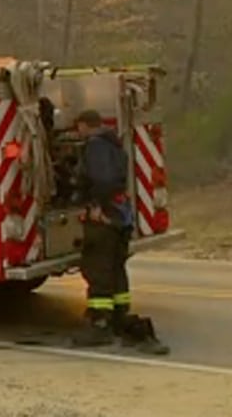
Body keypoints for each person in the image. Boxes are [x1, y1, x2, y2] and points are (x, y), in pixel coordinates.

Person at [70, 109, 168, 354]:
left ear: (84, 125)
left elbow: (101, 180)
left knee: (98, 268)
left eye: (78, 128)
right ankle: (119, 316)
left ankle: (100, 324)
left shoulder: (95, 146)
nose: (77, 133)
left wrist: (96, 207)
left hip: (105, 217)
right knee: (115, 267)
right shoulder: (113, 143)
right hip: (120, 217)